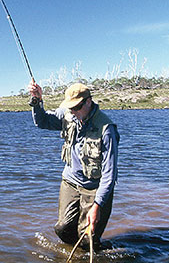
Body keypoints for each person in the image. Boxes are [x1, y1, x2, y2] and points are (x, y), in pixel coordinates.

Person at [28, 80, 119, 249]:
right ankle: (75, 256)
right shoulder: (68, 114)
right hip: (70, 182)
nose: (73, 111)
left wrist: (97, 205)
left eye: (76, 107)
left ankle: (92, 256)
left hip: (94, 188)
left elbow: (109, 175)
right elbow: (43, 122)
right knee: (62, 229)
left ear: (88, 102)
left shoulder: (106, 129)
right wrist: (37, 101)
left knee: (88, 240)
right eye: (70, 107)